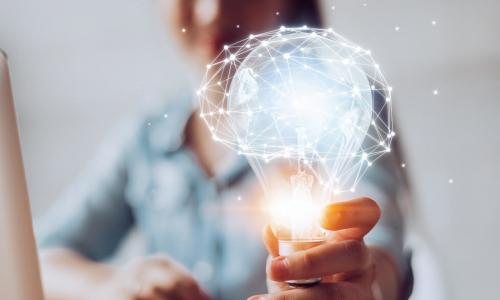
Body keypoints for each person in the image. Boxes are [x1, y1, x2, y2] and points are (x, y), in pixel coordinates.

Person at [37, 0, 412, 299]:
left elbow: (378, 249)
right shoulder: (149, 133)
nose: (211, 11)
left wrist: (364, 283)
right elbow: (37, 257)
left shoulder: (336, 102)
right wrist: (112, 286)